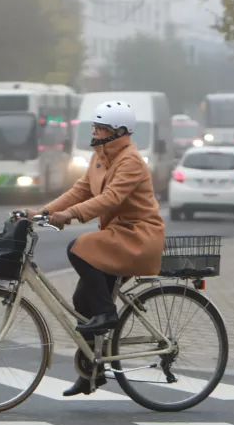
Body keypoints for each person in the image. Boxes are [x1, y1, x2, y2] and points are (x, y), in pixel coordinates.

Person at [25, 100, 165, 397]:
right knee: (82, 299)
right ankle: (92, 371)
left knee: (79, 246)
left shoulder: (130, 161)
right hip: (118, 236)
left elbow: (112, 198)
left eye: (101, 128)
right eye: (95, 127)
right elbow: (82, 189)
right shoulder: (100, 157)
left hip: (138, 236)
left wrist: (72, 215)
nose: (96, 132)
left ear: (118, 132)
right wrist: (44, 211)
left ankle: (108, 314)